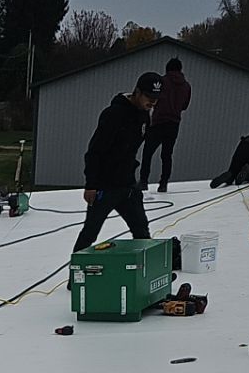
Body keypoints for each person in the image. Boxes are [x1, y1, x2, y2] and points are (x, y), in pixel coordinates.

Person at [75, 72, 162, 250]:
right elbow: (94, 151)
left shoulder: (144, 116)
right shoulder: (113, 114)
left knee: (141, 232)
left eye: (156, 99)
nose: (152, 103)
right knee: (90, 233)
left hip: (128, 185)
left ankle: (143, 274)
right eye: (149, 97)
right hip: (105, 186)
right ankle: (76, 275)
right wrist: (91, 184)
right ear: (137, 92)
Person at [139, 57, 192, 192]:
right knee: (167, 155)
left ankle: (143, 182)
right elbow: (185, 106)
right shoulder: (186, 86)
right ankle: (163, 183)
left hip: (158, 121)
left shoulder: (162, 82)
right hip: (174, 123)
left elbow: (153, 98)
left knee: (148, 153)